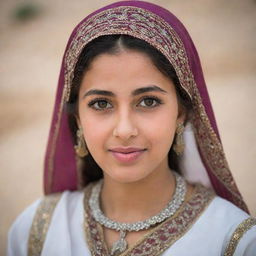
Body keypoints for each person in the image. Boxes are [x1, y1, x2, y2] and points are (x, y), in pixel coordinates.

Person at [7, 1, 256, 255]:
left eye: (148, 101)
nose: (125, 130)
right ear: (78, 118)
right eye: (101, 103)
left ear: (181, 113)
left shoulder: (234, 240)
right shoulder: (37, 231)